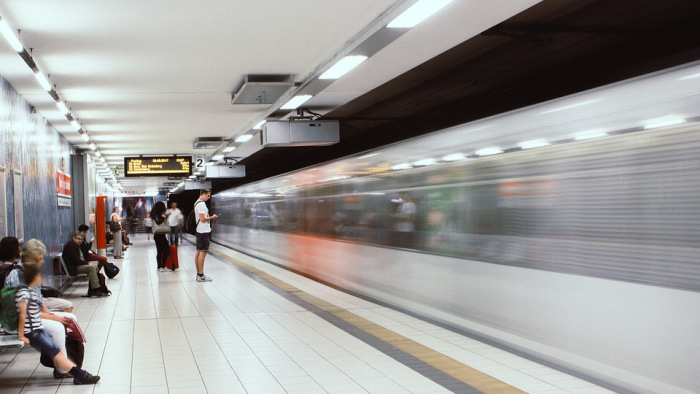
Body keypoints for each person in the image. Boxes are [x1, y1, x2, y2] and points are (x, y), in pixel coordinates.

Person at [16, 263, 100, 385]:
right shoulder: (25, 294)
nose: (41, 278)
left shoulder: (28, 292)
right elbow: (23, 315)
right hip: (33, 332)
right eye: (39, 275)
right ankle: (80, 375)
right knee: (55, 353)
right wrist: (21, 335)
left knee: (55, 352)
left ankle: (79, 374)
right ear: (34, 277)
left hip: (36, 330)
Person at [9, 239, 81, 379]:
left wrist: (49, 312)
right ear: (32, 258)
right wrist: (53, 317)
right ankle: (62, 369)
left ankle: (60, 360)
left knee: (71, 318)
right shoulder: (17, 275)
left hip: (34, 316)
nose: (42, 262)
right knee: (57, 328)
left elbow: (38, 298)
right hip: (21, 321)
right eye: (40, 259)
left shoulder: (30, 270)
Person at [1, 237, 73, 314]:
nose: (40, 262)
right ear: (27, 257)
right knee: (62, 320)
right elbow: (21, 308)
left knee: (68, 307)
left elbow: (38, 298)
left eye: (41, 259)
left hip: (35, 307)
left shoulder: (32, 270)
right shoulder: (16, 274)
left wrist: (46, 312)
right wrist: (49, 316)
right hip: (26, 314)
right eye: (35, 259)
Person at [62, 232, 109, 297]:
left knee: (94, 267)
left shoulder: (76, 246)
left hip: (76, 265)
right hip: (73, 267)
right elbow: (76, 261)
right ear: (73, 238)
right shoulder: (71, 247)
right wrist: (87, 263)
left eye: (81, 239)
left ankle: (94, 290)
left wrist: (88, 262)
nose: (80, 241)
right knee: (91, 268)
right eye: (78, 239)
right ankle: (95, 289)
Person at [194, 189, 218, 282]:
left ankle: (199, 274)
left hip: (199, 230)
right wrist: (212, 217)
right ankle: (201, 275)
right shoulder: (201, 204)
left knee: (198, 252)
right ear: (203, 194)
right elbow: (203, 219)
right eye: (208, 195)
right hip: (203, 231)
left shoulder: (197, 203)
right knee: (203, 253)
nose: (209, 197)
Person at [150, 201, 170, 272]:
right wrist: (163, 217)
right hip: (159, 235)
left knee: (160, 251)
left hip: (159, 235)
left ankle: (160, 266)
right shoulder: (157, 215)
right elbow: (158, 222)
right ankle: (162, 266)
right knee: (165, 251)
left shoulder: (154, 214)